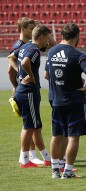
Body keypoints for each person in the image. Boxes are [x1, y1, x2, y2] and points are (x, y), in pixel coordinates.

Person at [47, 22, 86, 179]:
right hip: (74, 101)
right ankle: (67, 172)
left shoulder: (51, 52)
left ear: (61, 35)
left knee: (56, 135)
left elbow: (47, 75)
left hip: (56, 100)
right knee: (73, 137)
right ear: (77, 37)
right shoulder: (78, 55)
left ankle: (55, 171)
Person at [8, 17, 56, 165]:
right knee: (29, 126)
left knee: (35, 125)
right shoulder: (33, 48)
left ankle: (46, 157)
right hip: (28, 90)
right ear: (41, 37)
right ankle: (25, 159)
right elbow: (24, 62)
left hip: (25, 90)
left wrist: (21, 75)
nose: (47, 42)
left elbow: (12, 57)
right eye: (46, 38)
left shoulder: (25, 46)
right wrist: (28, 75)